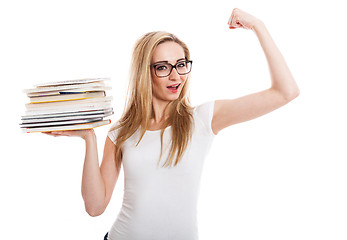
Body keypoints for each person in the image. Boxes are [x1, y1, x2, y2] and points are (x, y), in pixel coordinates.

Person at [45, 8, 299, 240]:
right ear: (146, 72)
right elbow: (95, 207)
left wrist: (258, 26)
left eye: (180, 65)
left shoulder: (202, 118)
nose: (176, 75)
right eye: (163, 67)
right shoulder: (121, 132)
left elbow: (285, 92)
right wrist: (89, 138)